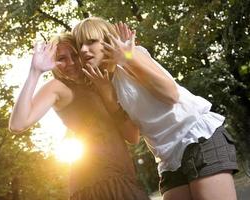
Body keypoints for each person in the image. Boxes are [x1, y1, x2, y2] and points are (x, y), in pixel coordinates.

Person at [72, 17, 239, 200]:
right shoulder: (104, 84)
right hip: (168, 157)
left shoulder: (133, 55)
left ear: (106, 40)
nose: (83, 50)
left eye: (90, 42)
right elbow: (132, 136)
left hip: (196, 136)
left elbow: (171, 94)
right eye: (80, 45)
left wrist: (128, 59)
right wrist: (107, 93)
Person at [9, 33, 150, 200]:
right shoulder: (59, 87)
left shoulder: (101, 82)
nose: (70, 63)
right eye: (61, 58)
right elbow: (17, 124)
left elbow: (133, 137)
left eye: (74, 55)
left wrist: (109, 93)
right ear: (53, 62)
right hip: (96, 184)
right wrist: (35, 71)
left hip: (125, 179)